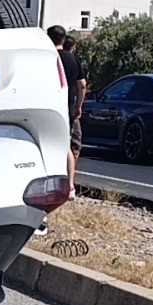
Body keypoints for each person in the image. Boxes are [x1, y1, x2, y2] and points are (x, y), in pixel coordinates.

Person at [48, 25, 84, 199]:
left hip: (47, 106)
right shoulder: (72, 60)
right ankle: (69, 186)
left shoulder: (47, 57)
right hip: (67, 108)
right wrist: (78, 106)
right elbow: (82, 84)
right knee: (66, 145)